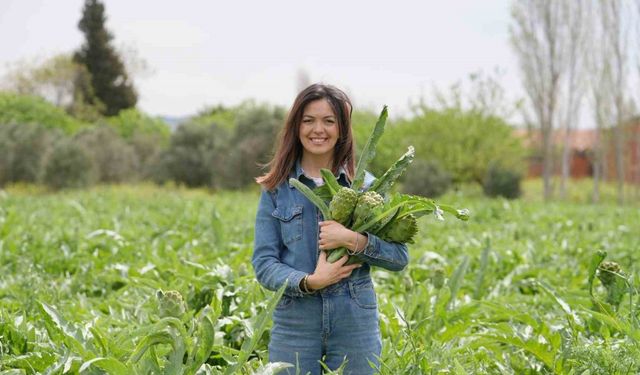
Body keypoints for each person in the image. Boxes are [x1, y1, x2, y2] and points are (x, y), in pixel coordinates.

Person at [252, 83, 409, 375]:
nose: (318, 129)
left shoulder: (367, 188)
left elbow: (399, 257)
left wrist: (354, 240)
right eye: (308, 120)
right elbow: (264, 263)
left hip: (354, 322)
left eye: (329, 121)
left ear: (342, 129)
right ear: (296, 127)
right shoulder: (277, 188)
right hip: (295, 321)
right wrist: (310, 281)